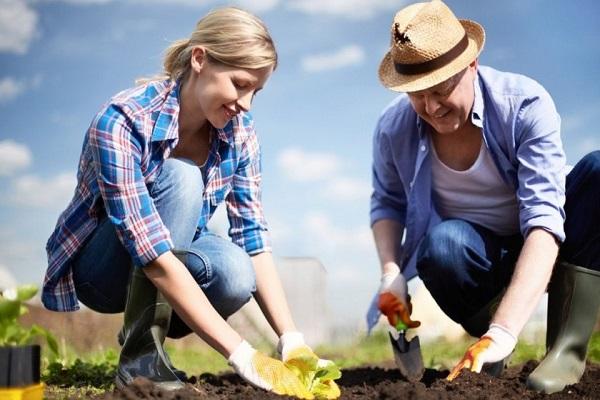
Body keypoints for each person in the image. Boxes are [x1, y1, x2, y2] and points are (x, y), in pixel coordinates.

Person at [42, 7, 339, 398]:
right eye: (239, 84)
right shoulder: (122, 121)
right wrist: (242, 354)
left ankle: (149, 335)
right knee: (182, 178)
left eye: (256, 91)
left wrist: (291, 340)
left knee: (236, 272)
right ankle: (140, 360)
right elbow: (151, 252)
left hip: (169, 257)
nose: (246, 103)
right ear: (200, 59)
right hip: (103, 271)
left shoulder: (240, 134)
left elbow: (252, 237)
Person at [367, 0, 600, 394]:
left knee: (597, 170)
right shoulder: (394, 128)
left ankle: (565, 351)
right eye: (417, 96)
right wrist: (391, 274)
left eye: (441, 90)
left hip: (553, 245)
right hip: (481, 258)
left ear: (471, 65)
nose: (431, 107)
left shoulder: (524, 105)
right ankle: (489, 349)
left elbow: (544, 217)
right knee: (441, 247)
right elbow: (387, 202)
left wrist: (507, 330)